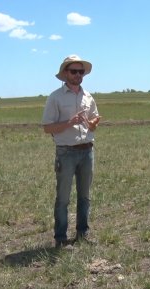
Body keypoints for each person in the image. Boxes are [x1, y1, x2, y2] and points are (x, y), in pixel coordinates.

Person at [42, 55, 101, 247]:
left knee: (84, 196)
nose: (78, 75)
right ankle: (60, 239)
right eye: (74, 71)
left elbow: (94, 122)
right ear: (65, 73)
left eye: (80, 71)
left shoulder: (88, 97)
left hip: (87, 151)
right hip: (66, 152)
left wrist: (91, 124)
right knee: (63, 198)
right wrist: (69, 122)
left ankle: (83, 234)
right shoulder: (55, 97)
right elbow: (47, 128)